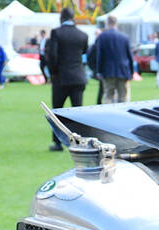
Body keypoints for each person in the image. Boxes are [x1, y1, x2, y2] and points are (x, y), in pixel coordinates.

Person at [45, 7, 89, 149]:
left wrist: (52, 73)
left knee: (57, 111)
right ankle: (80, 142)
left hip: (61, 77)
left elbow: (52, 55)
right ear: (73, 18)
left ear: (61, 18)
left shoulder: (56, 33)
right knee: (78, 112)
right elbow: (84, 54)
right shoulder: (83, 35)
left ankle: (58, 142)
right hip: (78, 77)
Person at [94, 14, 135, 103]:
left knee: (108, 96)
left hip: (108, 71)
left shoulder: (102, 36)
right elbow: (130, 57)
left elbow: (100, 56)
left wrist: (99, 71)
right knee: (123, 96)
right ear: (116, 23)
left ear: (107, 23)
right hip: (123, 71)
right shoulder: (125, 37)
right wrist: (131, 72)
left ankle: (108, 115)